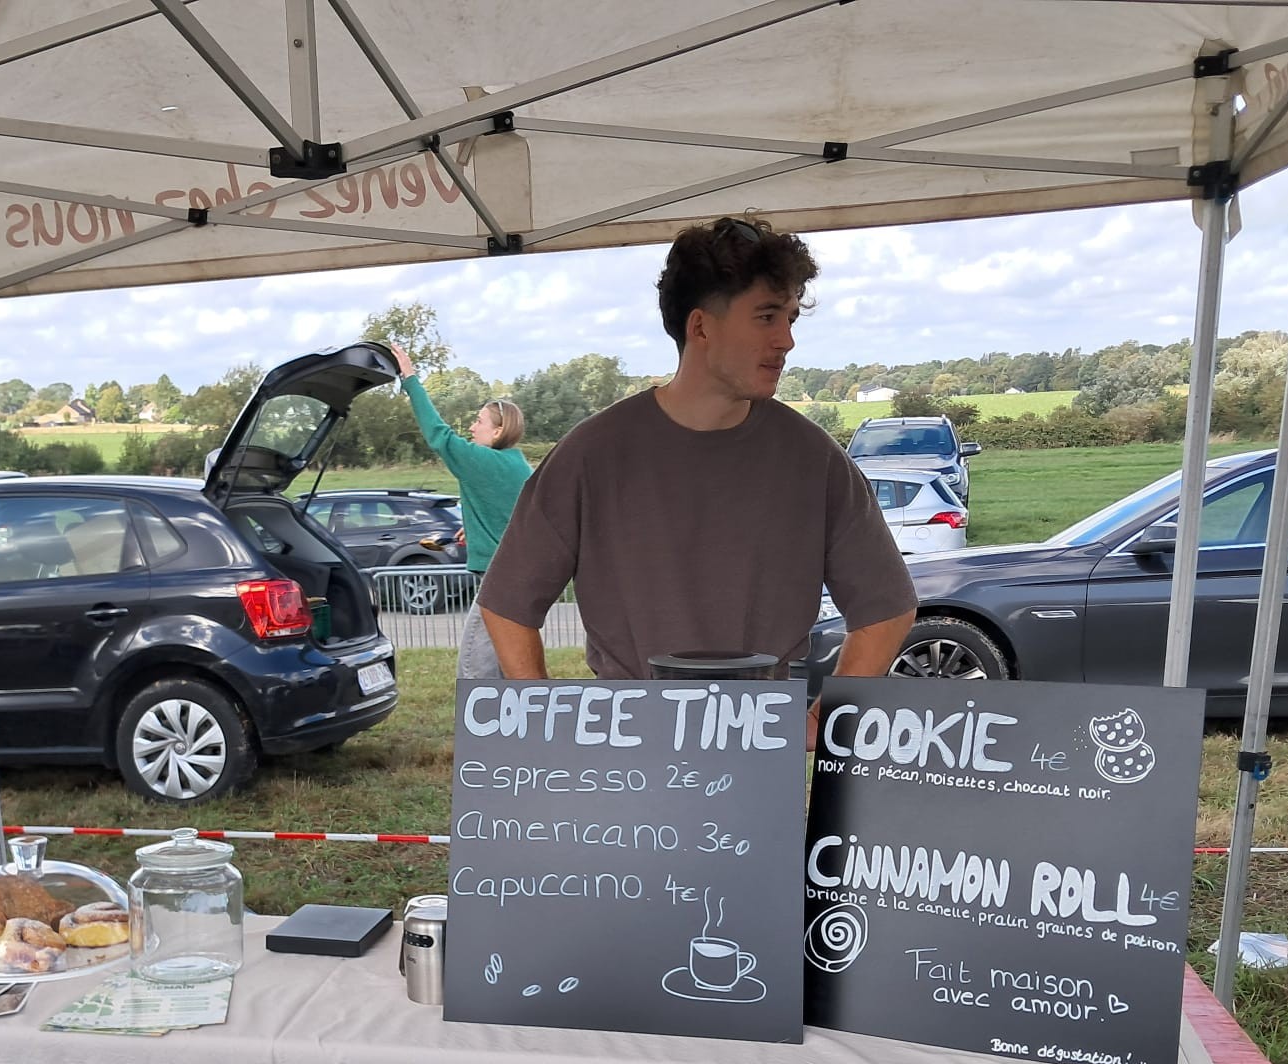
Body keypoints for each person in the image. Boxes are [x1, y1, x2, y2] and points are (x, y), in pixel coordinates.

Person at [475, 215, 916, 746]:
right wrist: (544, 720)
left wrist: (825, 719)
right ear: (701, 327)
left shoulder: (814, 459)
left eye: (791, 318)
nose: (787, 340)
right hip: (626, 755)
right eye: (767, 316)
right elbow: (507, 604)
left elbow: (887, 606)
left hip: (756, 753)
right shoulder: (592, 454)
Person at [391, 348, 532, 679]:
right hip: (518, 576)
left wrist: (410, 378)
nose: (471, 427)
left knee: (474, 670)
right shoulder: (516, 464)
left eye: (479, 421)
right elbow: (516, 515)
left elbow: (438, 435)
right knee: (505, 667)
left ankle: (478, 716)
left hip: (499, 578)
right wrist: (478, 529)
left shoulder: (481, 461)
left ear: (498, 431)